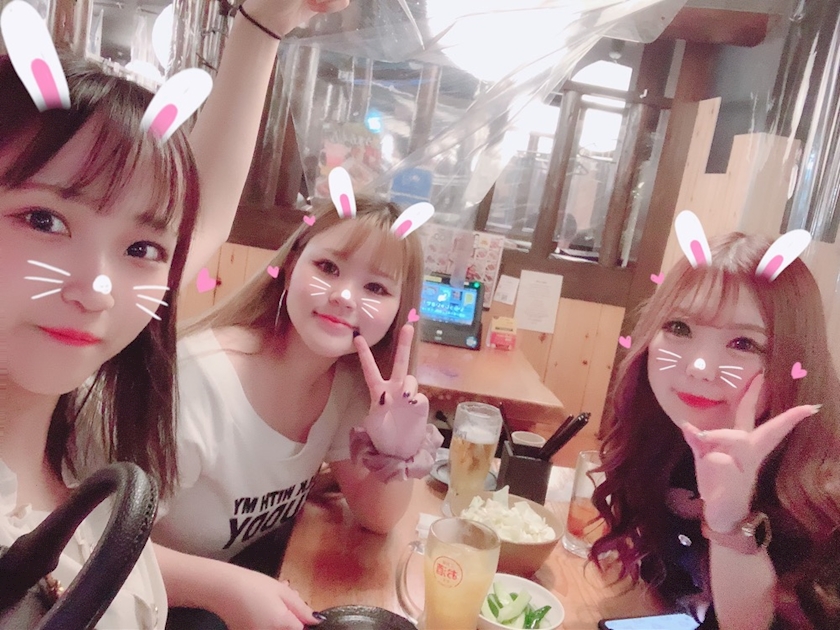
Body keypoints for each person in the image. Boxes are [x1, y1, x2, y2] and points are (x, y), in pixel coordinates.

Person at [0, 0, 350, 626]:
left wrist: (266, 25)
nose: (97, 288)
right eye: (44, 219)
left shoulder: (70, 429)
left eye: (141, 249)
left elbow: (200, 219)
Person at [151, 174, 442, 630]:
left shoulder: (347, 385)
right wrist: (226, 589)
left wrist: (395, 449)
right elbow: (89, 546)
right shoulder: (193, 382)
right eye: (328, 267)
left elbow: (379, 518)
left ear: (399, 312)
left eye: (376, 288)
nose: (344, 297)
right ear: (290, 265)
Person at [590, 214, 840, 630]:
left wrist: (730, 520)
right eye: (679, 327)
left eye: (743, 342)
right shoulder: (663, 438)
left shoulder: (824, 499)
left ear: (797, 358)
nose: (700, 367)